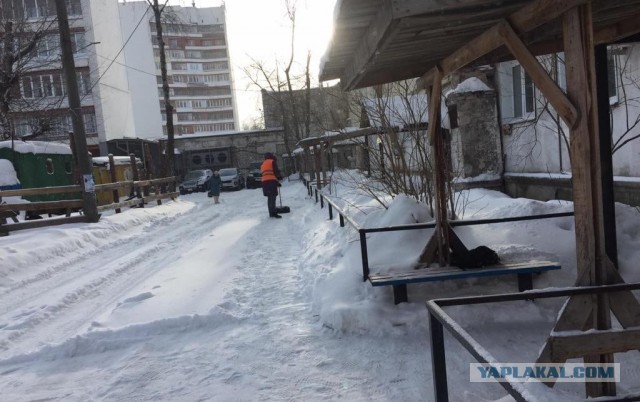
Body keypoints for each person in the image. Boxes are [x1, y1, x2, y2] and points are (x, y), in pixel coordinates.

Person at [261, 152, 283, 218]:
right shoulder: (272, 161)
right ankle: (274, 213)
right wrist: (279, 177)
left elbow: (265, 173)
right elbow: (275, 171)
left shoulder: (263, 163)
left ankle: (271, 213)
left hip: (264, 182)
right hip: (271, 181)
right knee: (273, 197)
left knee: (269, 197)